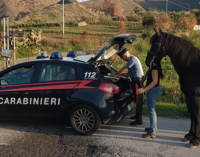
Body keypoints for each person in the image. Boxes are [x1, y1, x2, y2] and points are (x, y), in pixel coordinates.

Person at [110, 48, 144, 126]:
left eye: (122, 57)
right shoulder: (131, 60)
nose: (123, 59)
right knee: (136, 99)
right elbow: (128, 74)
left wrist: (117, 74)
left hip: (137, 82)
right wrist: (116, 75)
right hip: (135, 81)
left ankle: (139, 120)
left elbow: (125, 68)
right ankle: (137, 116)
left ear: (125, 55)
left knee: (138, 100)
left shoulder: (132, 59)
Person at [138, 61, 163, 138]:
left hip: (152, 90)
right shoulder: (156, 65)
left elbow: (155, 81)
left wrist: (144, 89)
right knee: (153, 110)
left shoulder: (154, 67)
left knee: (152, 111)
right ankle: (154, 128)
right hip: (155, 90)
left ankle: (152, 132)